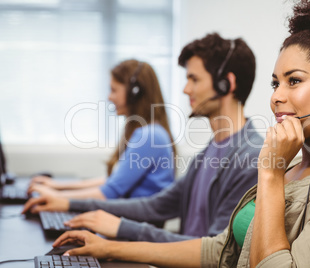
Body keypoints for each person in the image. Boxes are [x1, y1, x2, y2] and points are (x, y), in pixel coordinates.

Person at [33, 0, 310, 266]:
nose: (276, 96)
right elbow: (219, 250)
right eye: (275, 83)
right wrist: (108, 245)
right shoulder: (290, 167)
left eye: (293, 81)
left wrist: (269, 173)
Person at [23, 33, 264, 243]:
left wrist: (119, 229)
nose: (185, 89)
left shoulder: (250, 158)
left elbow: (215, 249)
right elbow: (156, 205)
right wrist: (71, 205)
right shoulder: (211, 150)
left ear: (226, 83)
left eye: (194, 79)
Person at [28, 60, 176, 200]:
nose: (109, 97)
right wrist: (58, 187)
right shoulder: (147, 131)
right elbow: (114, 180)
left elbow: (110, 192)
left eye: (114, 90)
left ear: (134, 94)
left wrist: (55, 196)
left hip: (136, 222)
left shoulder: (150, 136)